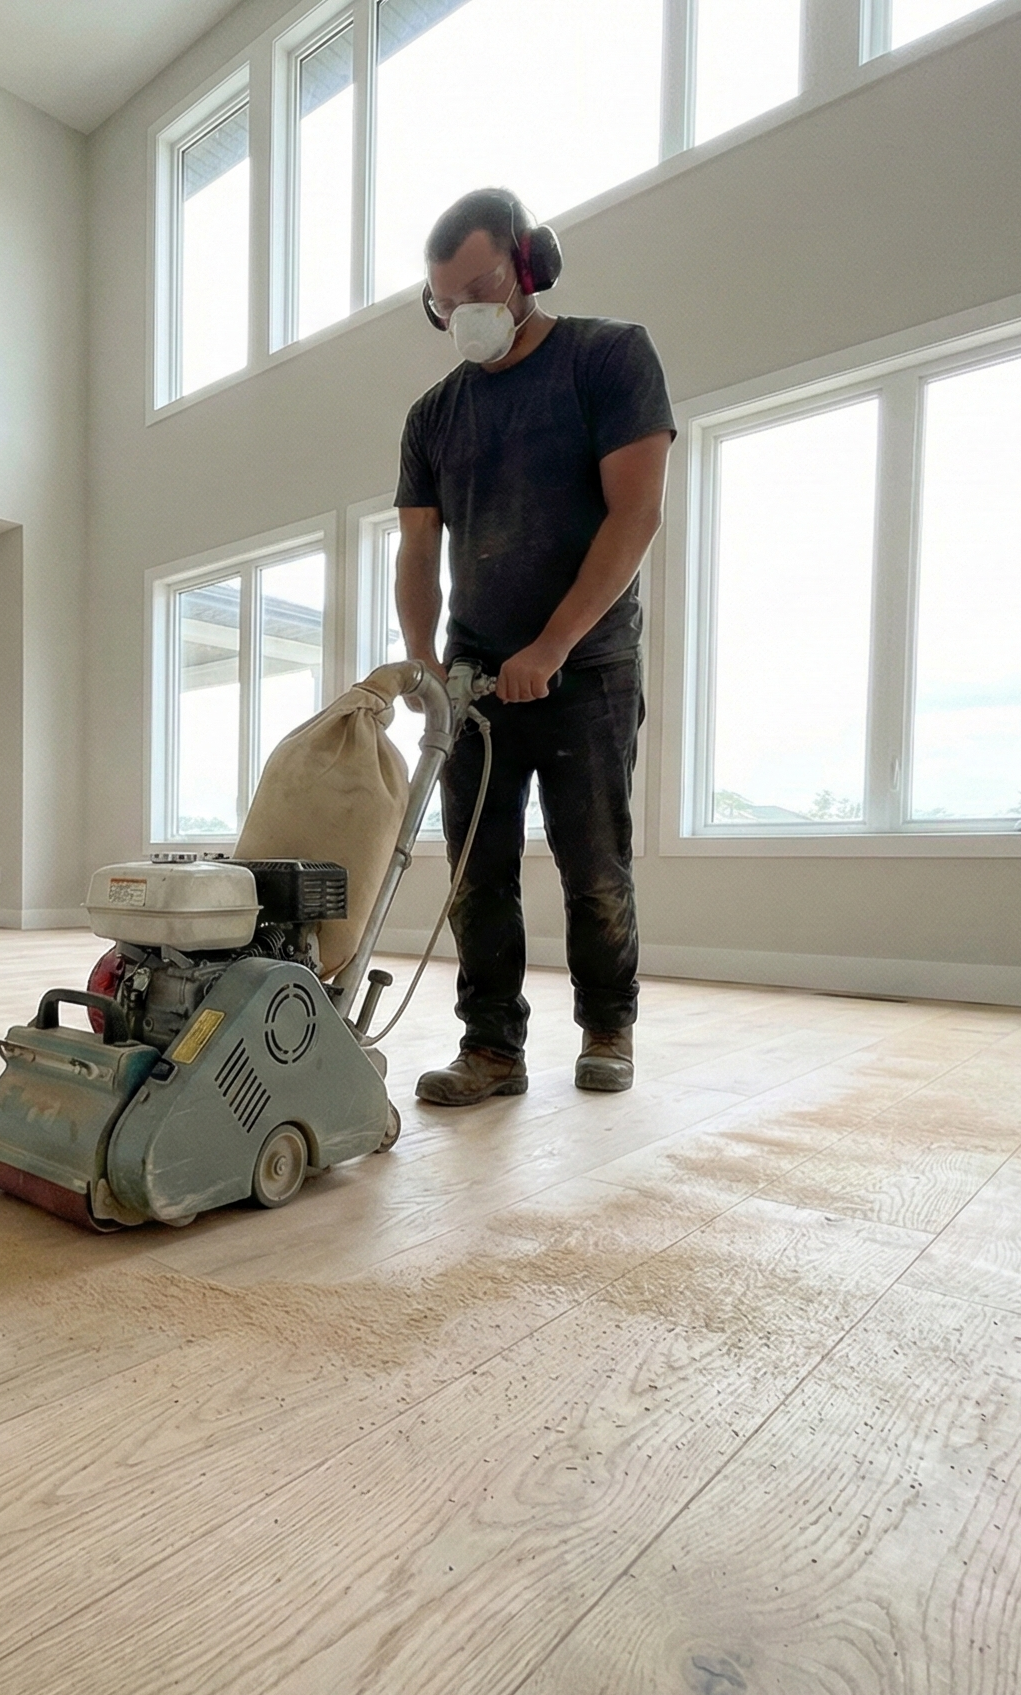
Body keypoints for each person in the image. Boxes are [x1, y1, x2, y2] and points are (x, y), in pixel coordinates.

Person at [393, 187, 674, 1105]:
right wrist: (424, 661)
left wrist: (552, 645)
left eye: (479, 289)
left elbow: (636, 515)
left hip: (586, 667)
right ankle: (491, 1048)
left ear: (528, 265)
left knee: (594, 865)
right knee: (477, 875)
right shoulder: (433, 416)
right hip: (476, 679)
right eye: (446, 302)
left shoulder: (609, 359)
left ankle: (608, 1028)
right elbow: (418, 549)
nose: (464, 313)